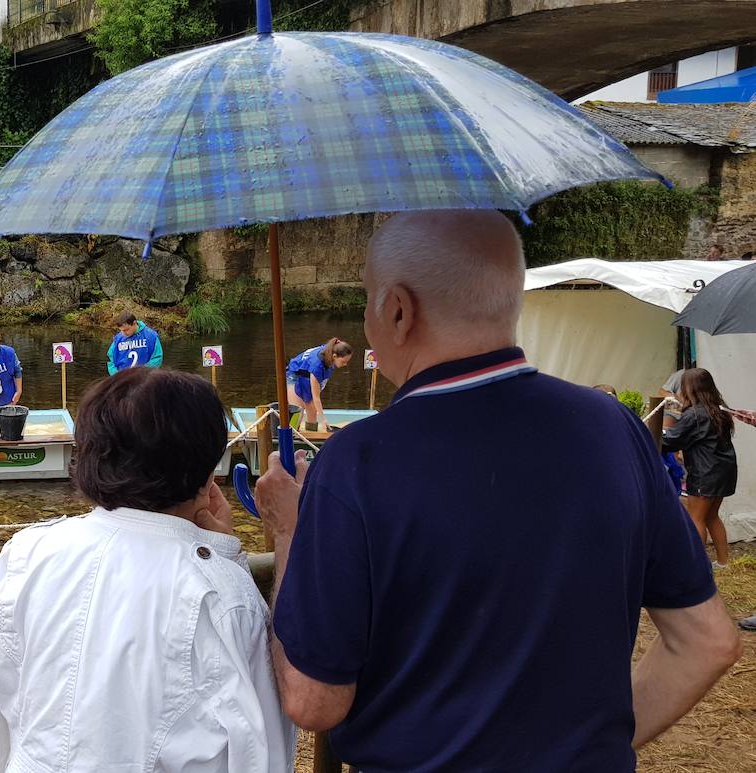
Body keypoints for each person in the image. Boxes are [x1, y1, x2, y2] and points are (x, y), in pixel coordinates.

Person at [255, 210, 739, 771]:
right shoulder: (614, 428)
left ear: (396, 309)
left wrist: (290, 531)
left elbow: (313, 701)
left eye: (367, 301)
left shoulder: (356, 462)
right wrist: (587, 747)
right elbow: (707, 642)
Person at [0, 368, 295, 771]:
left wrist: (218, 550)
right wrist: (227, 558)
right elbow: (261, 751)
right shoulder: (222, 594)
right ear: (206, 465)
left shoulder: (27, 551)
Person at [663, 368, 739, 569]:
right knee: (712, 516)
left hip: (705, 473)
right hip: (723, 471)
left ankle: (696, 567)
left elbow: (670, 441)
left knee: (696, 518)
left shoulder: (694, 414)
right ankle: (723, 563)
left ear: (690, 389)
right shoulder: (719, 409)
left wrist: (655, 432)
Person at [285, 337, 355, 431]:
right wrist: (323, 419)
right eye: (343, 362)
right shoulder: (317, 366)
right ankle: (291, 435)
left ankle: (310, 435)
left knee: (312, 412)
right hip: (295, 374)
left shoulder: (331, 349)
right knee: (297, 412)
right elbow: (316, 396)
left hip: (307, 375)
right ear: (334, 356)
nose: (345, 364)